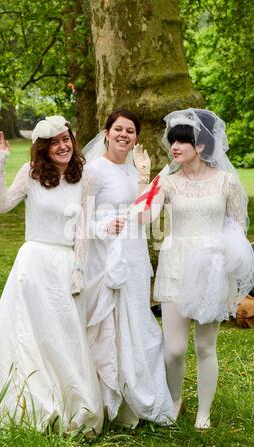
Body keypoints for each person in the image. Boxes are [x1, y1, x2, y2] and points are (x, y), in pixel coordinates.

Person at [0, 116, 103, 434]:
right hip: (33, 263)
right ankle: (29, 404)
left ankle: (69, 405)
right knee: (29, 335)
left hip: (66, 264)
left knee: (64, 336)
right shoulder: (30, 175)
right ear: (43, 148)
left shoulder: (84, 178)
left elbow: (83, 230)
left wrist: (79, 269)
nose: (63, 146)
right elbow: (1, 205)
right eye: (55, 142)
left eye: (66, 139)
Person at [140, 108, 254, 429]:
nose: (174, 147)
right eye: (172, 141)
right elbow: (145, 217)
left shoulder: (226, 182)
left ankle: (203, 414)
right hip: (176, 265)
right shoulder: (168, 181)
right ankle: (175, 400)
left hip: (211, 270)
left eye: (182, 141)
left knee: (205, 346)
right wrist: (143, 178)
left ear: (201, 146)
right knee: (174, 349)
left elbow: (237, 226)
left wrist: (226, 257)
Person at [83, 109, 176, 427]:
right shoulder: (93, 171)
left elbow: (142, 217)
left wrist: (143, 177)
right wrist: (106, 224)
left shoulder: (135, 168)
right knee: (110, 325)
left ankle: (137, 401)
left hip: (134, 254)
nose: (124, 135)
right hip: (104, 257)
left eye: (131, 131)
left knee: (138, 322)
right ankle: (109, 402)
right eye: (118, 129)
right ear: (106, 133)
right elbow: (82, 219)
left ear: (137, 137)